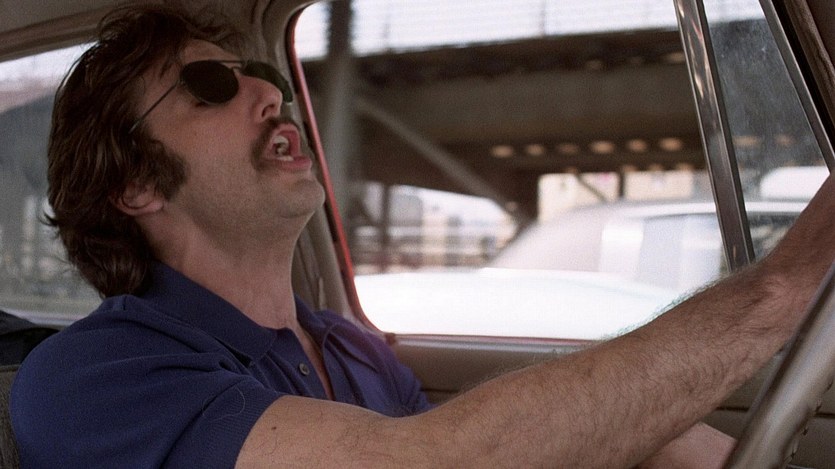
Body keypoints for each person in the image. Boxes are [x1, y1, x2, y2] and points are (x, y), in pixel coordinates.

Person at [9, 3, 833, 468]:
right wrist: (781, 288)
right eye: (208, 86)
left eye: (261, 74)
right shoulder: (93, 375)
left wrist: (661, 433)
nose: (269, 95)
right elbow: (424, 461)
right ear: (135, 184)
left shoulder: (350, 346)